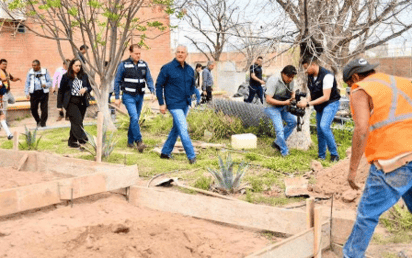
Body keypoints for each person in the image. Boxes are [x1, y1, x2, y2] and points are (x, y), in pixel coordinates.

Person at [341, 58, 412, 258]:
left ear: (354, 77)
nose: (351, 88)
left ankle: (352, 256)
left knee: (367, 214)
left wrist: (353, 170)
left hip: (393, 161)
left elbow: (362, 130)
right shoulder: (403, 82)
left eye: (349, 84)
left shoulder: (360, 89)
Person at [156, 45, 197, 164]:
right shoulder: (167, 68)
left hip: (185, 104)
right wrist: (161, 103)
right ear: (175, 53)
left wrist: (194, 98)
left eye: (183, 52)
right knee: (183, 128)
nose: (180, 54)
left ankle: (165, 152)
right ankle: (192, 157)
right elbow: (159, 85)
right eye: (178, 52)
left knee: (176, 129)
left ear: (186, 55)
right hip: (173, 104)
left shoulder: (190, 70)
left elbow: (192, 86)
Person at [297, 56, 341, 162]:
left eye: (306, 68)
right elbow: (313, 93)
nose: (305, 71)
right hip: (320, 105)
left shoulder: (327, 76)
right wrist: (306, 101)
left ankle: (334, 155)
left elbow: (326, 97)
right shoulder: (311, 77)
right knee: (320, 131)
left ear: (313, 65)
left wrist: (308, 104)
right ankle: (321, 156)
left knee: (324, 126)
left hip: (330, 103)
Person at [114, 44, 155, 152]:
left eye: (139, 53)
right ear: (130, 53)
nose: (138, 55)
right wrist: (117, 97)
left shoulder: (143, 64)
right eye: (136, 53)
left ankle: (129, 141)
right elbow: (117, 81)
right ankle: (139, 141)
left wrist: (152, 90)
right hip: (128, 96)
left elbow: (149, 78)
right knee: (134, 117)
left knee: (134, 119)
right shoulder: (123, 65)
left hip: (139, 96)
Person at [57, 59, 93, 148]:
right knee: (77, 121)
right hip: (70, 102)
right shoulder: (66, 77)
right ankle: (83, 140)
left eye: (79, 66)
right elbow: (61, 91)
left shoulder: (84, 76)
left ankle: (72, 142)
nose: (78, 68)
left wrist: (86, 89)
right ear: (71, 66)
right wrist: (59, 105)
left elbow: (89, 87)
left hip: (82, 102)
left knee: (77, 122)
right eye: (76, 66)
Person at [264, 65, 298, 156]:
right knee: (279, 130)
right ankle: (284, 152)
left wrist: (293, 97)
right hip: (271, 107)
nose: (290, 79)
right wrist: (285, 103)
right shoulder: (273, 80)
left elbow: (292, 91)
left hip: (283, 105)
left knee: (293, 121)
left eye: (292, 77)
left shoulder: (290, 81)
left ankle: (278, 142)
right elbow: (268, 99)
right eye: (289, 76)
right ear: (283, 74)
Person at [24, 60, 52, 127]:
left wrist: (46, 85)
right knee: (33, 108)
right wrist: (26, 93)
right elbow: (27, 83)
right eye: (32, 65)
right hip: (34, 92)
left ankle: (43, 123)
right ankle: (38, 120)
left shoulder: (45, 71)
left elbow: (50, 82)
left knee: (44, 108)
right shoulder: (30, 72)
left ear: (39, 65)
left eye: (35, 65)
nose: (33, 67)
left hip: (43, 92)